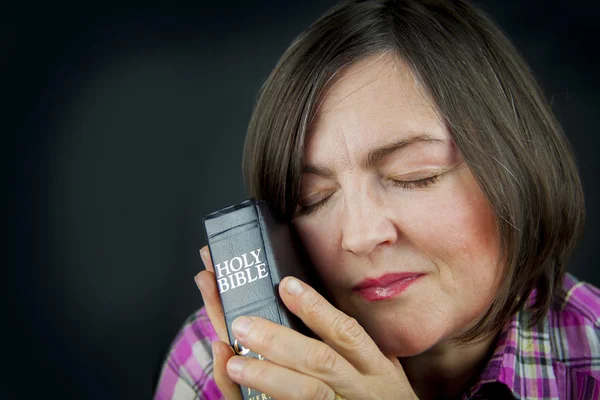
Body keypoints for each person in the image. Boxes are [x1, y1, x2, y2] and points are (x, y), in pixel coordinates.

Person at [154, 0, 600, 398]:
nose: (362, 236)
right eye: (313, 199)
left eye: (415, 176)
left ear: (516, 166)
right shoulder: (212, 364)